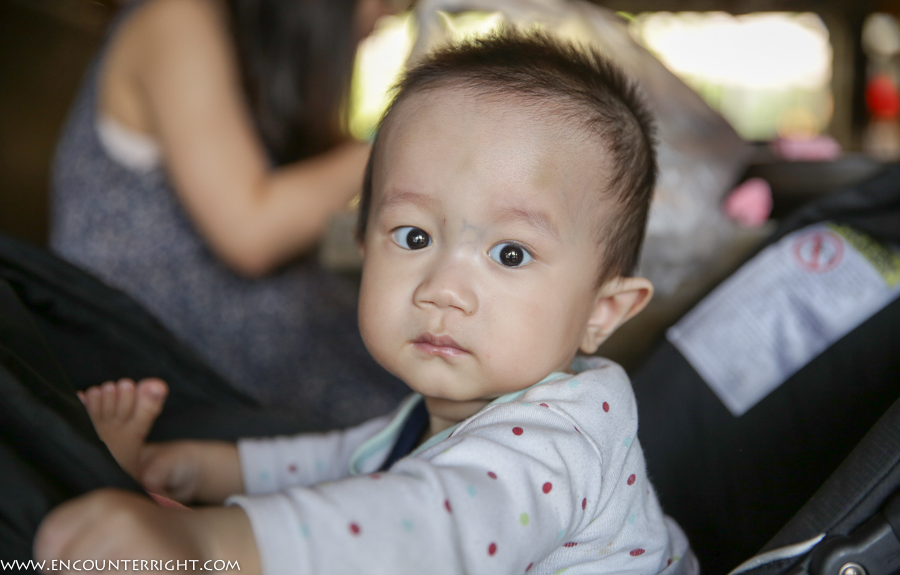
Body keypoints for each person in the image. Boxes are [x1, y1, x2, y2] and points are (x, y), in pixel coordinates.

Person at [36, 31, 697, 574]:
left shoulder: (559, 447)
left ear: (601, 313)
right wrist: (195, 468)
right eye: (414, 237)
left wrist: (207, 547)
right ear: (361, 245)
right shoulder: (450, 409)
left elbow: (421, 523)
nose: (442, 288)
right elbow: (347, 459)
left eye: (511, 254)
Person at [49, 0, 429, 429]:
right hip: (158, 349)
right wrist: (407, 128)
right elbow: (251, 234)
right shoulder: (178, 17)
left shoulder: (260, 48)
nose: (387, 14)